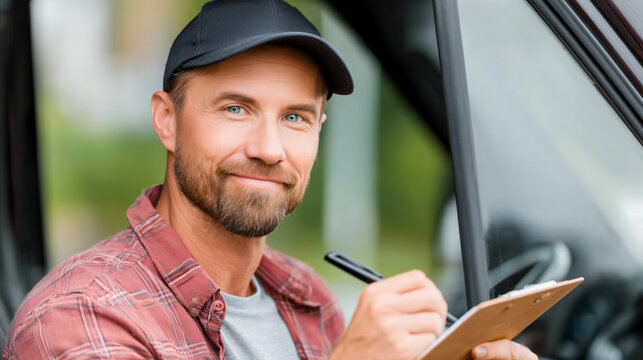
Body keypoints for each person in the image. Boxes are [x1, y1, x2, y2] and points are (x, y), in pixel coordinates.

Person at [2, 1, 537, 359]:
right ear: (167, 119)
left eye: (295, 117)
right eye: (236, 109)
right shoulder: (80, 319)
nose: (268, 149)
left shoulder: (307, 299)